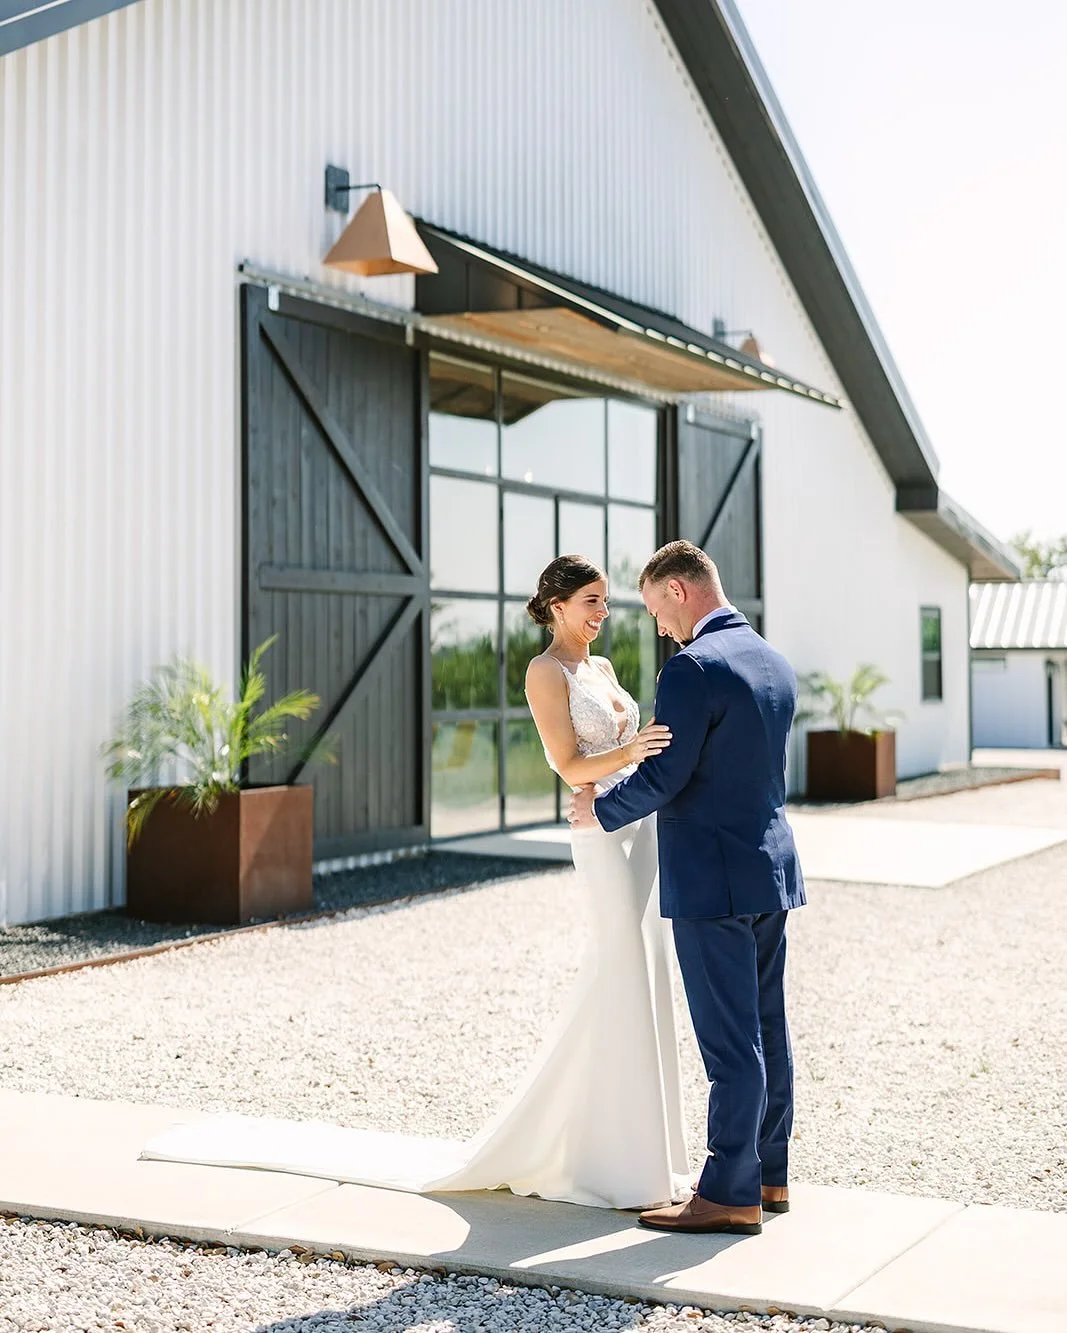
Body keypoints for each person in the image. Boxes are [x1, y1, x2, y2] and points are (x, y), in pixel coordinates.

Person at [139, 554, 691, 1212]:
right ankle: (608, 1158)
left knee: (641, 967)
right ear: (555, 605)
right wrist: (634, 751)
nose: (601, 615)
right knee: (619, 964)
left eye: (604, 603)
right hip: (596, 830)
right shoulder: (544, 672)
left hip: (638, 828)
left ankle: (643, 1150)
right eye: (591, 602)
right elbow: (569, 763)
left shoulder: (599, 668)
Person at [570, 539, 805, 1236]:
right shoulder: (773, 660)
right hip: (770, 866)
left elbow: (669, 773)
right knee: (766, 1024)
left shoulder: (692, 668)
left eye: (653, 608)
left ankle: (728, 1190)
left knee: (729, 1040)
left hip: (711, 876)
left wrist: (600, 808)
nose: (657, 626)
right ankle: (770, 1172)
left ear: (678, 590)